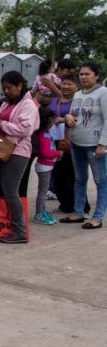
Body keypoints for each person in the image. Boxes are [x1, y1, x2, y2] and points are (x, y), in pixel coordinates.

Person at [0, 70, 39, 244]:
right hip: (3, 148)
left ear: (19, 85)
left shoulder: (29, 105)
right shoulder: (7, 103)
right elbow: (3, 123)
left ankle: (21, 231)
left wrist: (1, 123)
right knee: (5, 190)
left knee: (10, 191)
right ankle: (9, 226)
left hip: (18, 152)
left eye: (9, 88)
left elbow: (25, 129)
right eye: (4, 89)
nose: (6, 92)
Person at [61, 61, 107, 230]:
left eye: (87, 74)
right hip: (76, 143)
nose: (83, 77)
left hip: (94, 145)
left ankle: (98, 217)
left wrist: (103, 144)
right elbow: (73, 114)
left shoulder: (103, 93)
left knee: (101, 181)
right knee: (79, 179)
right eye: (81, 74)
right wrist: (67, 117)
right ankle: (78, 212)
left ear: (96, 75)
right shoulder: (79, 94)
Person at [50, 72, 89, 214]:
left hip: (72, 141)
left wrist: (61, 120)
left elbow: (80, 118)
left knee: (74, 175)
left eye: (69, 84)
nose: (65, 86)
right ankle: (65, 204)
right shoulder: (55, 100)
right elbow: (49, 116)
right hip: (54, 140)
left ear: (76, 86)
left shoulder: (80, 100)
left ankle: (81, 206)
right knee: (58, 174)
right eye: (64, 83)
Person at [32, 107, 60, 225]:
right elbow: (45, 152)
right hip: (44, 166)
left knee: (43, 190)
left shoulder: (46, 133)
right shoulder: (43, 135)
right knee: (43, 192)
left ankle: (42, 211)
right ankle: (39, 214)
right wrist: (58, 153)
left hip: (46, 166)